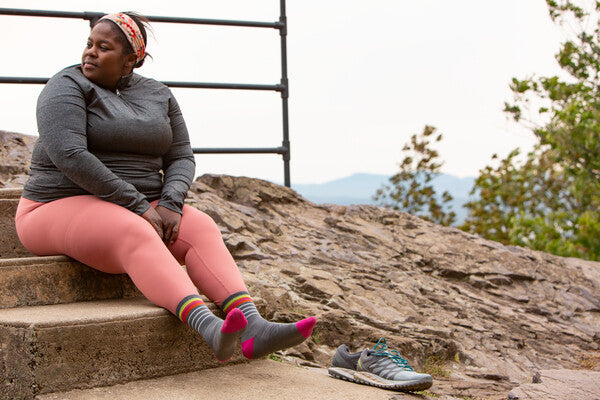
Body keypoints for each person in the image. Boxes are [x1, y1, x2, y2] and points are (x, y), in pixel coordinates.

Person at [14, 12, 315, 362]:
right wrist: (139, 205)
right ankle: (210, 329)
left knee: (199, 225)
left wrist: (171, 203)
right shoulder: (65, 86)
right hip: (55, 205)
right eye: (89, 44)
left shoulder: (157, 94)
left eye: (103, 47)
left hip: (139, 206)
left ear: (132, 59)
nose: (90, 53)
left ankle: (254, 327)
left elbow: (182, 155)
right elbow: (70, 155)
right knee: (134, 228)